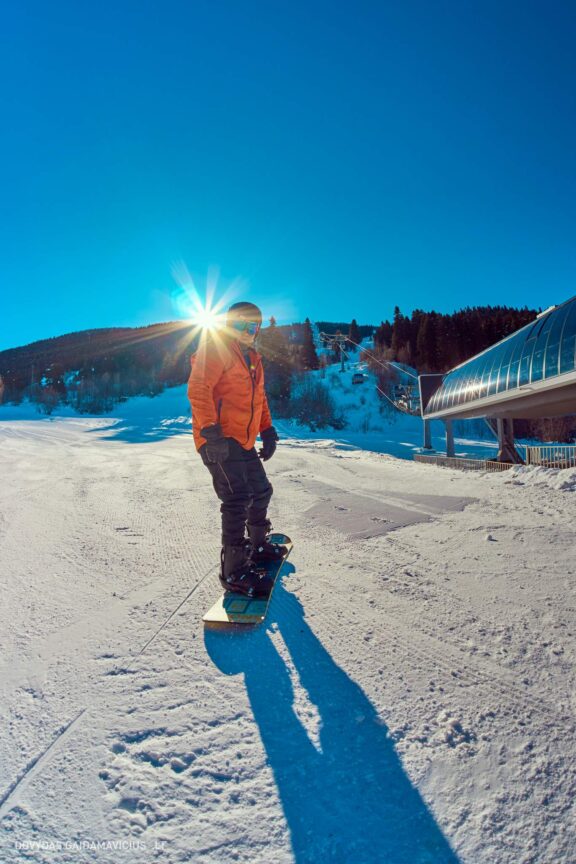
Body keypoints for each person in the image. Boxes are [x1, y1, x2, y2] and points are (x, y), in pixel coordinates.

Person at [187, 301, 287, 597]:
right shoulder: (216, 348)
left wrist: (267, 430)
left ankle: (257, 544)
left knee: (261, 491)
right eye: (240, 325)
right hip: (217, 438)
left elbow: (260, 400)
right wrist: (209, 431)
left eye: (252, 327)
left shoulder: (254, 359)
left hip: (242, 440)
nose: (246, 332)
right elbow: (198, 388)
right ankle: (233, 571)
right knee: (237, 498)